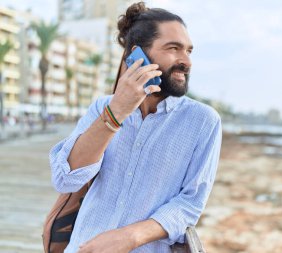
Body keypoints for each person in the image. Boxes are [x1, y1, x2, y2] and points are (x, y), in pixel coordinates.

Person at [49, 2, 222, 253]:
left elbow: (190, 203)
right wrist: (117, 111)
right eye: (174, 48)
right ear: (137, 54)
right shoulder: (102, 108)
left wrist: (129, 237)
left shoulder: (204, 121)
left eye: (189, 51)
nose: (186, 61)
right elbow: (66, 179)